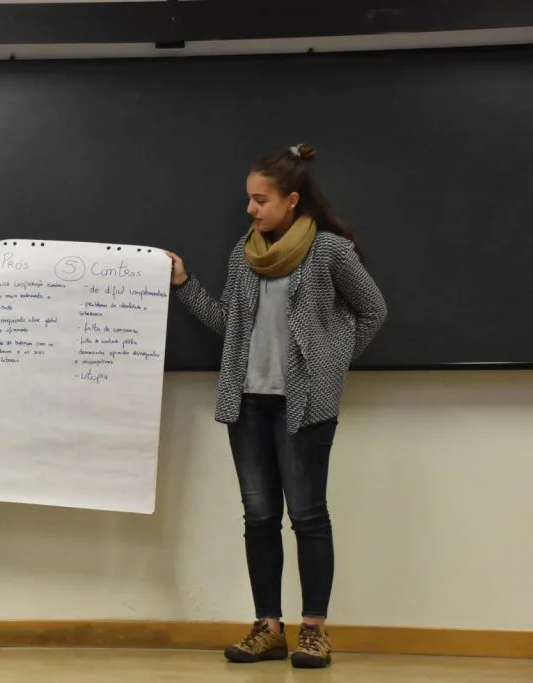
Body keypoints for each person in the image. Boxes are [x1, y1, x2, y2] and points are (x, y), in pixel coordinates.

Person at [167, 144, 387, 669]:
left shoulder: (331, 251)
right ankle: (268, 626)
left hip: (305, 405)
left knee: (308, 516)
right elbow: (229, 326)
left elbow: (373, 310)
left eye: (260, 200)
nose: (250, 209)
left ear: (291, 200)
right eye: (249, 199)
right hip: (246, 404)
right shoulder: (243, 255)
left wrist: (328, 363)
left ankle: (314, 631)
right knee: (259, 516)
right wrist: (184, 286)